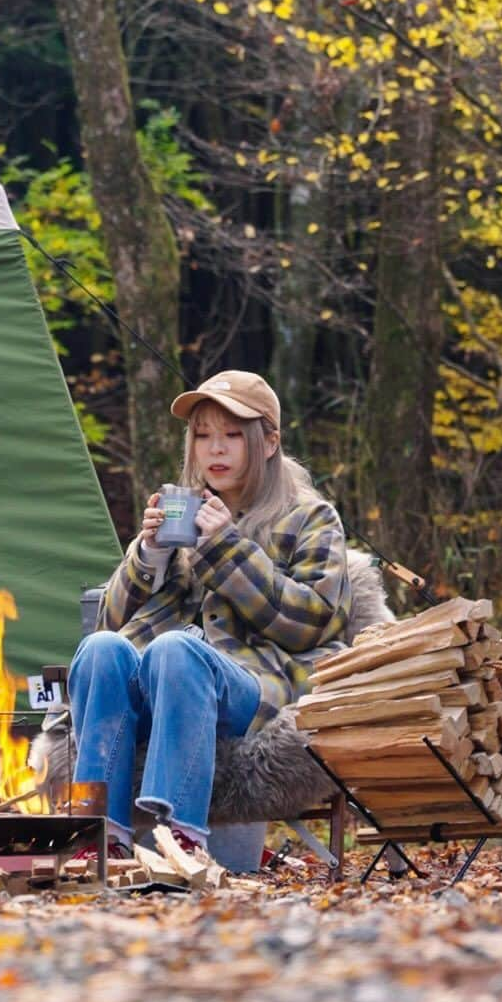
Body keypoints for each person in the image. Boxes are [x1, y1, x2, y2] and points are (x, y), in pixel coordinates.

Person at [68, 369, 351, 865]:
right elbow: (108, 624)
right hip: (158, 680)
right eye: (202, 436)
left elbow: (314, 623)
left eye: (231, 435)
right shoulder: (185, 509)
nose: (214, 450)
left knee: (177, 650)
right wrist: (148, 555)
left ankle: (181, 839)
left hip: (249, 689)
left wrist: (225, 548)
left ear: (268, 442)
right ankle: (100, 836)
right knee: (100, 650)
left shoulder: (309, 517)